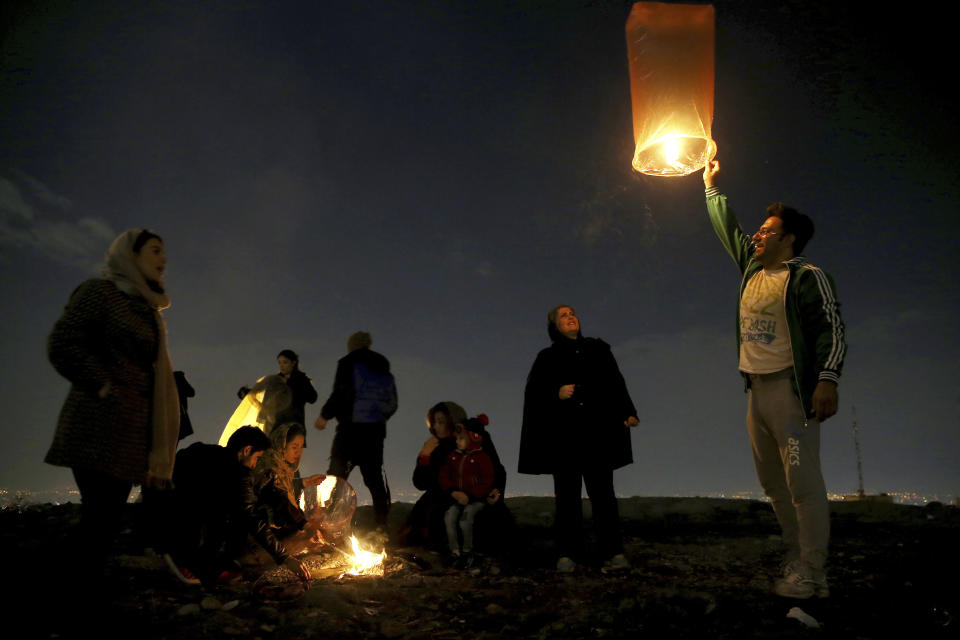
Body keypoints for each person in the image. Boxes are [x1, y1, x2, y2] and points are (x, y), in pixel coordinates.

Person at [703, 151, 845, 599]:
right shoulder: (752, 268)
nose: (757, 236)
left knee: (803, 483)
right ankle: (794, 555)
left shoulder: (806, 276)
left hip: (790, 392)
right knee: (772, 483)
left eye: (767, 232)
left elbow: (831, 327)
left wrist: (827, 379)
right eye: (759, 231)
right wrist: (711, 187)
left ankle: (813, 572)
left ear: (790, 239)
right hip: (756, 393)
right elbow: (728, 227)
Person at [45, 228, 180, 579]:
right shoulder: (99, 293)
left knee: (106, 520)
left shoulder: (148, 310)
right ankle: (65, 592)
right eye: (154, 251)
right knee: (99, 517)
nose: (163, 261)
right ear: (130, 256)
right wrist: (103, 385)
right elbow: (63, 343)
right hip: (97, 423)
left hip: (131, 433)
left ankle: (75, 591)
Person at [519, 305, 639, 573]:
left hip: (597, 435)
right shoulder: (547, 357)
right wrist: (556, 392)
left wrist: (627, 411)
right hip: (564, 439)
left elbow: (615, 382)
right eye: (563, 315)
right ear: (555, 326)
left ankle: (613, 553)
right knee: (567, 498)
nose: (571, 317)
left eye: (572, 313)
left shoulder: (598, 350)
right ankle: (567, 554)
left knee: (604, 496)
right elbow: (534, 393)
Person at [165, 426, 310, 587]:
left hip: (176, 508)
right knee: (236, 516)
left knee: (236, 512)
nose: (255, 464)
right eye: (257, 458)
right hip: (180, 517)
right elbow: (250, 517)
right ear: (247, 450)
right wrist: (285, 558)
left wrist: (303, 523)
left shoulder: (215, 455)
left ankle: (215, 563)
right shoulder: (236, 472)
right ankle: (187, 561)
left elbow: (272, 493)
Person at [315, 331, 397, 527]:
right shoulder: (383, 367)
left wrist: (324, 415)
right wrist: (377, 419)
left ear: (351, 345)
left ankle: (329, 525)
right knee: (375, 481)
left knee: (337, 479)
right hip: (374, 434)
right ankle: (381, 526)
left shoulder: (347, 362)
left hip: (348, 433)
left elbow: (339, 393)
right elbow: (392, 403)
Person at [406, 402, 509, 550]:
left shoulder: (477, 438)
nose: (436, 427)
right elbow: (421, 483)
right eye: (434, 422)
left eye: (441, 422)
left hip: (477, 494)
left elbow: (497, 469)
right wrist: (425, 455)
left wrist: (496, 490)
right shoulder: (435, 446)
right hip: (443, 498)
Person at [252, 422, 325, 549]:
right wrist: (305, 525)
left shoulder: (282, 467)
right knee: (301, 537)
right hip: (256, 526)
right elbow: (278, 497)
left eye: (301, 447)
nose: (298, 452)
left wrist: (304, 482)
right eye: (294, 447)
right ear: (282, 445)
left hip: (272, 521)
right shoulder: (269, 466)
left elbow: (285, 488)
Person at [438, 417, 495, 568]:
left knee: (465, 520)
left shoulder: (482, 459)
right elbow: (444, 475)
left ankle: (468, 552)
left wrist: (470, 495)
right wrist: (453, 491)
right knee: (449, 517)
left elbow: (486, 482)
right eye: (457, 438)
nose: (457, 441)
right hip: (458, 498)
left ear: (473, 438)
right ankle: (455, 552)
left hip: (476, 500)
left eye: (461, 438)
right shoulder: (453, 456)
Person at [238, 349, 318, 430]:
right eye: (279, 362)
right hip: (275, 425)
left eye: (285, 362)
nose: (281, 366)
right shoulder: (275, 380)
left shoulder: (302, 380)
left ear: (293, 363)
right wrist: (248, 393)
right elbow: (266, 395)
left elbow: (313, 398)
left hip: (294, 426)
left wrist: (297, 386)